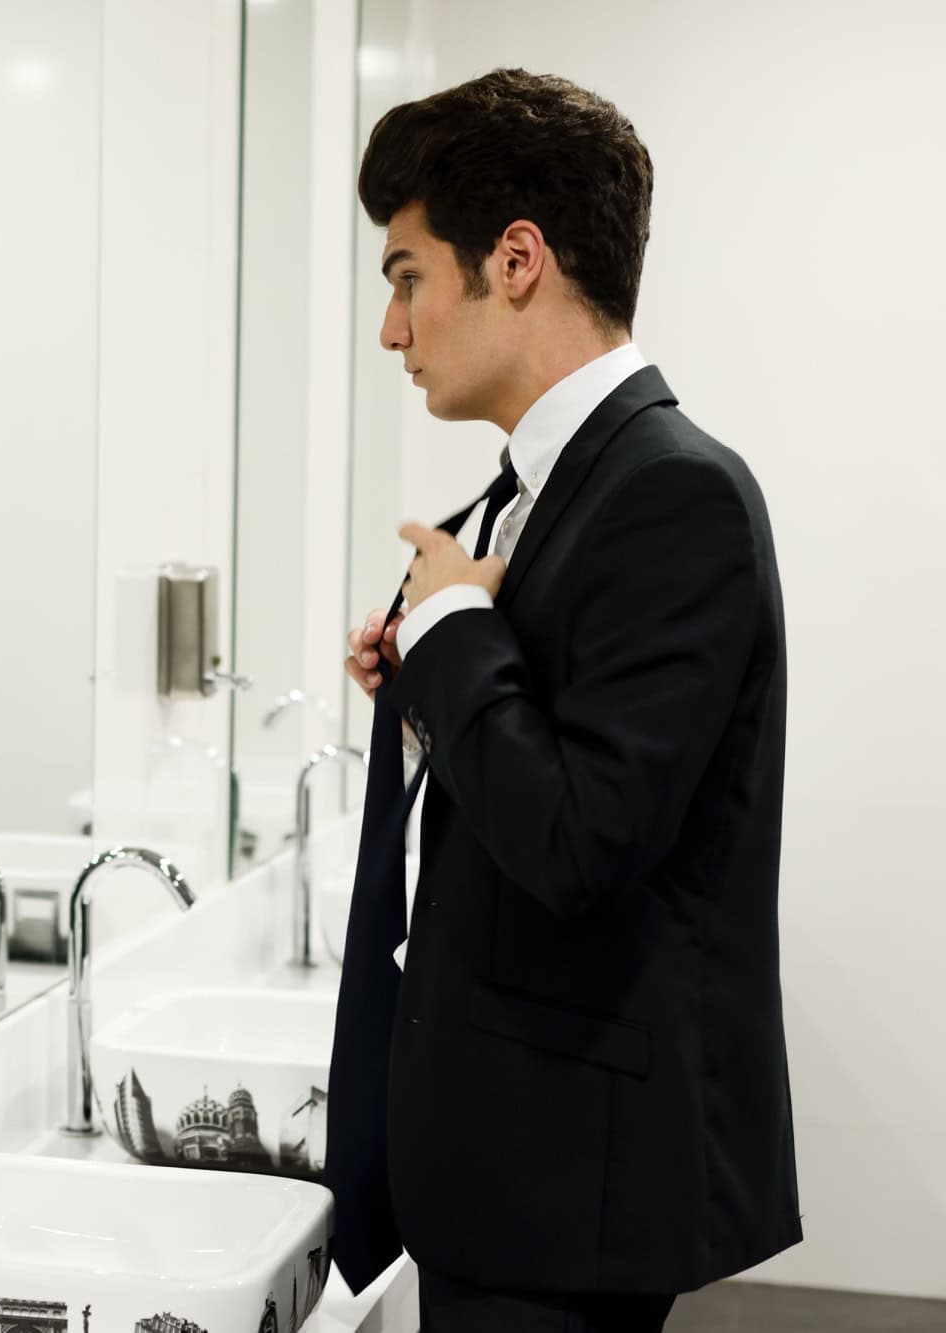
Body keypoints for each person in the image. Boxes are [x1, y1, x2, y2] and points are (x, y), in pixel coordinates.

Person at [336, 70, 798, 1331]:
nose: (390, 329)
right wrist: (433, 683)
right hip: (520, 1162)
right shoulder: (557, 488)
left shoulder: (673, 491)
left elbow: (581, 838)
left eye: (406, 277)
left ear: (515, 258)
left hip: (561, 1189)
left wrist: (452, 633)